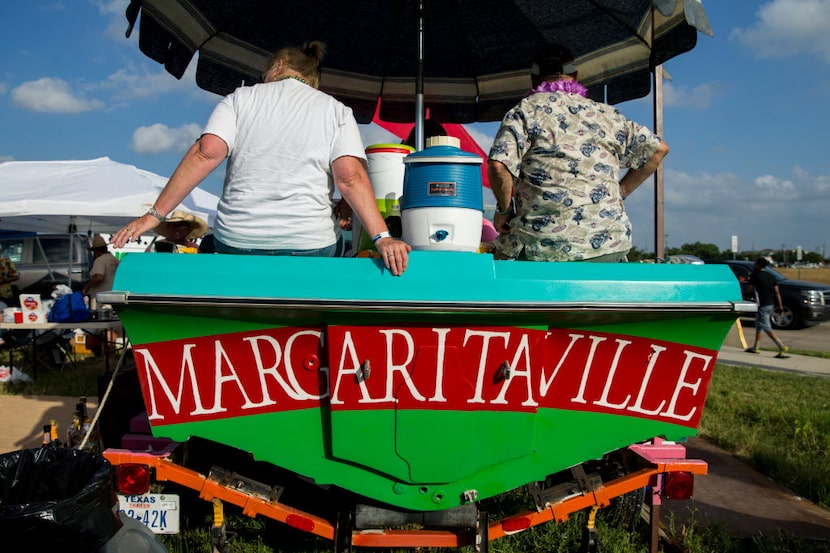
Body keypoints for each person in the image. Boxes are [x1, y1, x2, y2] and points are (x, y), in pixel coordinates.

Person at [110, 41, 410, 276]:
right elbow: (350, 177)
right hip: (309, 243)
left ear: (278, 66)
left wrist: (155, 216)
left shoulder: (240, 98)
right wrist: (382, 237)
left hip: (238, 240)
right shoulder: (335, 110)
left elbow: (206, 152)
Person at [488, 44, 670, 262]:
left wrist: (503, 211)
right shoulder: (607, 114)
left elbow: (499, 167)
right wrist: (621, 191)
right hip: (608, 244)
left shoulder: (524, 111)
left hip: (541, 246)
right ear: (575, 76)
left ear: (534, 80)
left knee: (495, 271)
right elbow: (658, 150)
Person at [745, 257, 789, 358]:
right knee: (759, 325)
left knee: (765, 326)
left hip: (762, 304)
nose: (754, 265)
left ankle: (781, 346)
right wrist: (781, 306)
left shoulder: (755, 275)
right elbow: (777, 292)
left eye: (756, 263)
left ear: (759, 265)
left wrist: (746, 294)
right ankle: (756, 347)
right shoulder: (771, 276)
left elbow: (749, 287)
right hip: (770, 303)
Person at [82, 235, 119, 310]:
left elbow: (98, 277)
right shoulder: (115, 260)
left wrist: (87, 287)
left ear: (96, 251)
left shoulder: (100, 260)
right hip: (115, 298)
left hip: (101, 300)